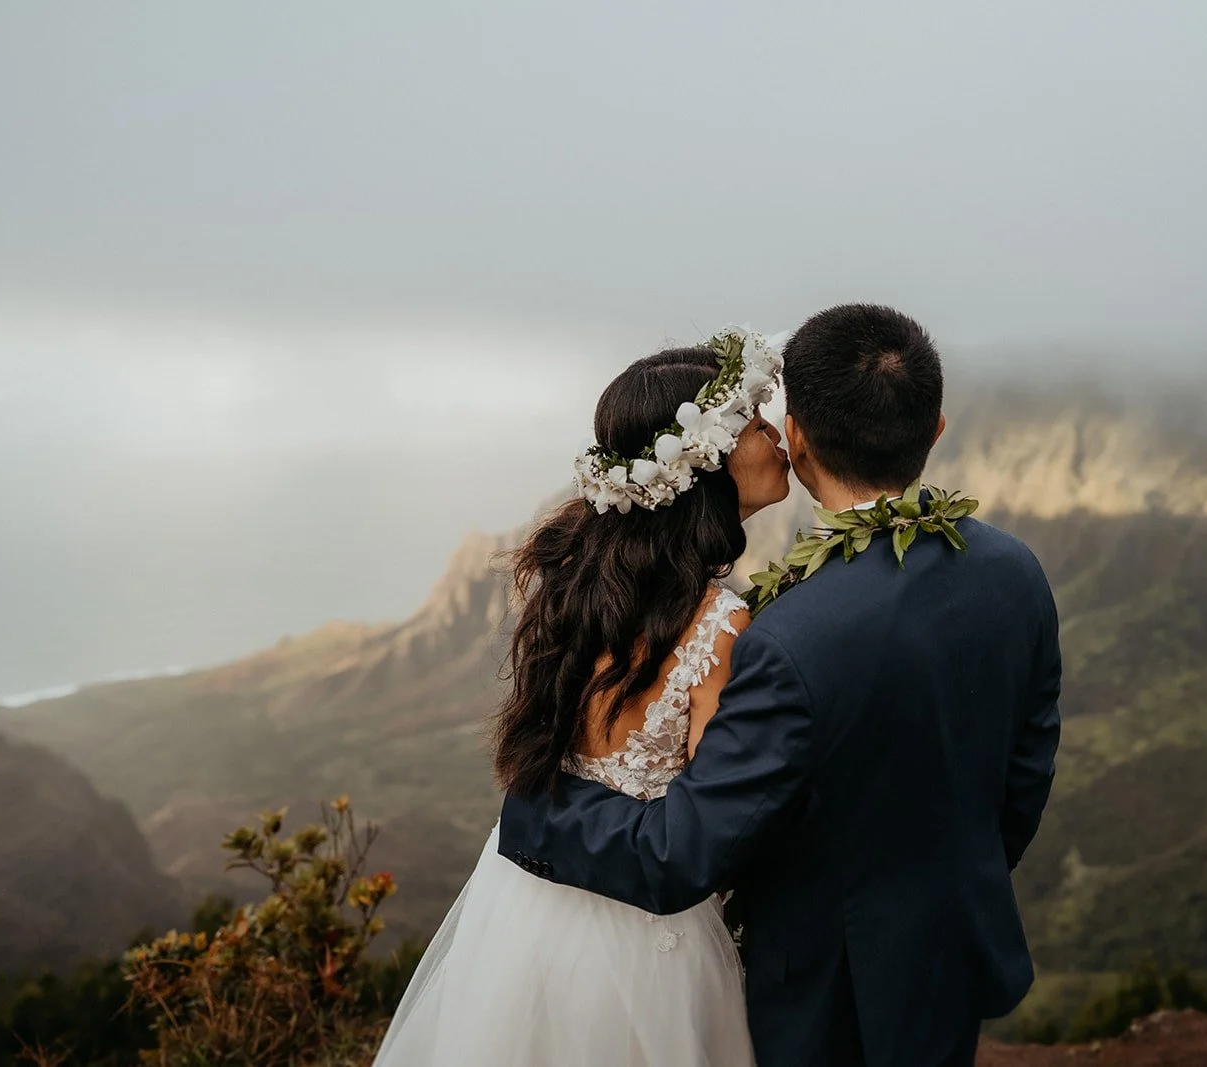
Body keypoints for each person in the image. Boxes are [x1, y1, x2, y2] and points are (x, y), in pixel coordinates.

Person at [498, 304, 1062, 1067]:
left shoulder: (787, 638)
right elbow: (1026, 767)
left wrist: (532, 811)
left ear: (796, 438)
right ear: (935, 429)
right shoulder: (1015, 573)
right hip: (952, 953)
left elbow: (683, 852)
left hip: (827, 996)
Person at [373, 328, 790, 1066]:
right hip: (648, 936)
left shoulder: (580, 587)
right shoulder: (720, 624)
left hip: (528, 906)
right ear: (706, 459)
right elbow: (722, 826)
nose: (776, 435)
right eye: (756, 421)